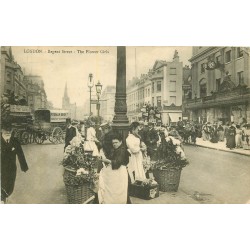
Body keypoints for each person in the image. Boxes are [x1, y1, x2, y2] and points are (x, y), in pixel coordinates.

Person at [98, 133, 130, 204]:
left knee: (119, 190)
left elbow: (117, 162)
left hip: (121, 171)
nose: (114, 144)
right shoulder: (117, 149)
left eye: (116, 142)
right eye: (113, 143)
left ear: (121, 142)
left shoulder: (122, 150)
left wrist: (105, 160)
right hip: (118, 172)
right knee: (117, 190)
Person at [1, 121, 29, 203]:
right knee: (3, 186)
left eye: (9, 130)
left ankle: (5, 197)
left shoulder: (15, 141)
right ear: (2, 130)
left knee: (10, 187)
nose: (8, 132)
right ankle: (3, 199)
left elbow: (20, 154)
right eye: (6, 130)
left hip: (12, 169)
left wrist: (24, 167)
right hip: (1, 169)